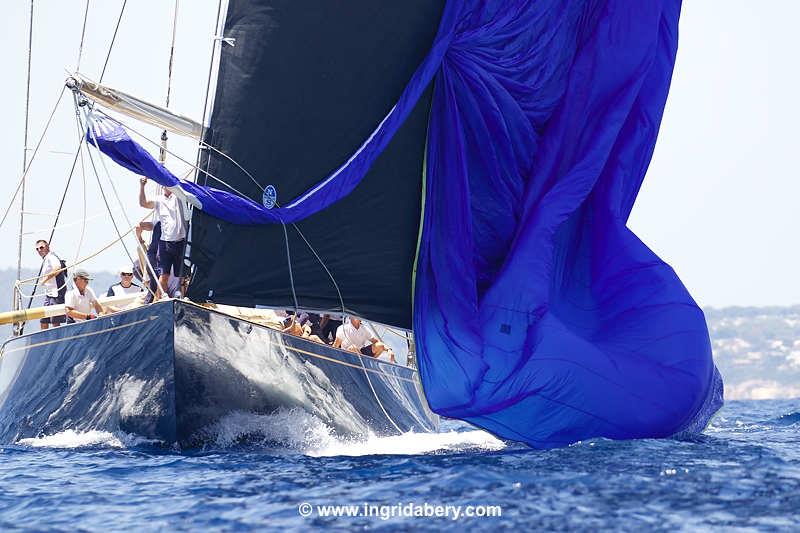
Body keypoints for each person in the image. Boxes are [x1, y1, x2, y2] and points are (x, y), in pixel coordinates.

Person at [138, 177, 186, 298]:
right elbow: (143, 203)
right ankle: (160, 299)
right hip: (165, 243)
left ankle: (182, 298)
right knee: (164, 275)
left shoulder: (179, 196)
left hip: (180, 241)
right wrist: (142, 185)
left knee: (181, 276)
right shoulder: (158, 200)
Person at [35, 239, 66, 330]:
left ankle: (56, 339)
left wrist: (45, 279)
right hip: (49, 294)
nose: (39, 250)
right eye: (37, 249)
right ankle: (44, 341)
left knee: (55, 320)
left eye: (41, 247)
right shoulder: (46, 259)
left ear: (47, 247)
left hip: (57, 293)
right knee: (44, 319)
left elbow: (57, 268)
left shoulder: (51, 257)